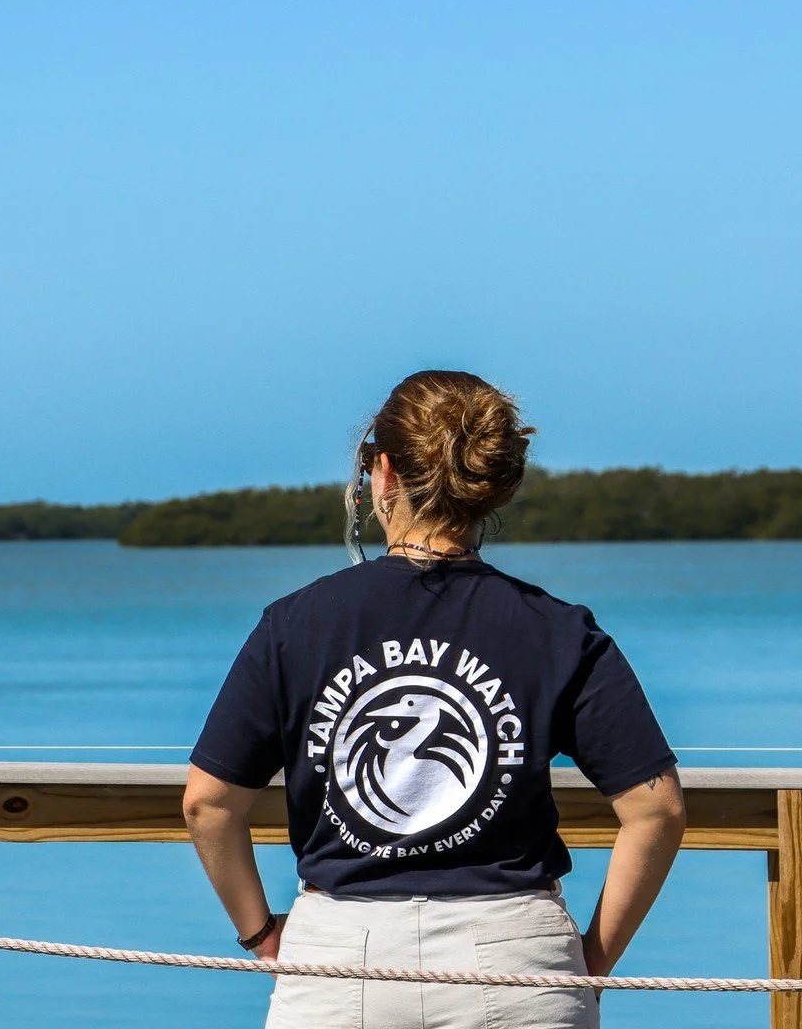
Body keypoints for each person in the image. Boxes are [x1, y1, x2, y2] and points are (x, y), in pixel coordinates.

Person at [183, 370, 685, 1029]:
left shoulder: (296, 624)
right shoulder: (558, 630)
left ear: (381, 473)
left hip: (342, 956)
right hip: (514, 956)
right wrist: (589, 963)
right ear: (494, 485)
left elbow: (208, 803)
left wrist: (260, 936)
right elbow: (658, 810)